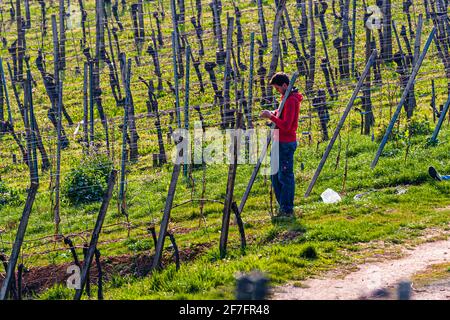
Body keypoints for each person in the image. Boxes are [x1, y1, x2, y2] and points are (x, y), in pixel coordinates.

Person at [260, 72, 303, 217]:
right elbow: (281, 113)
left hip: (286, 143)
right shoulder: (285, 98)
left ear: (285, 85)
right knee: (275, 175)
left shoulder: (291, 101)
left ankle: (287, 209)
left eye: (278, 88)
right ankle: (282, 207)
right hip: (278, 141)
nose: (277, 91)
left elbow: (287, 126)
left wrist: (271, 117)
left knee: (284, 177)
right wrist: (273, 113)